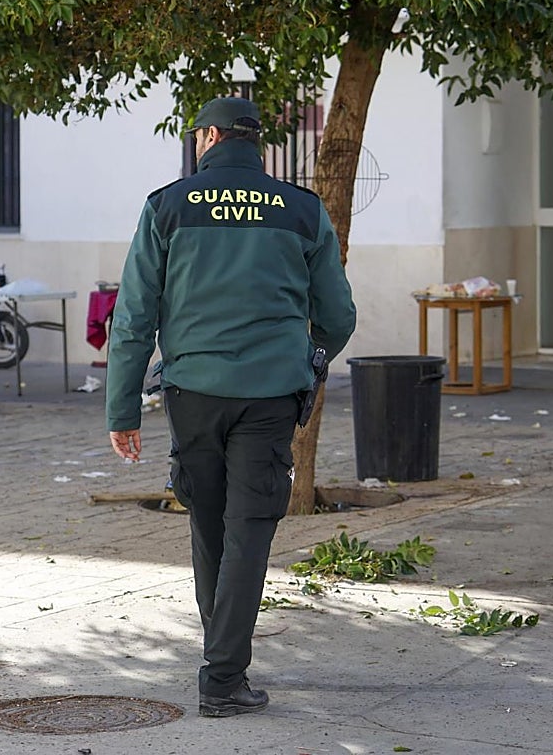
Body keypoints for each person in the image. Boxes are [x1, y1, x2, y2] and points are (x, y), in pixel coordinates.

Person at [105, 96, 356, 718]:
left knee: (209, 522)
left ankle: (222, 664)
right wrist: (308, 359)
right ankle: (222, 676)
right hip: (270, 396)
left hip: (192, 393)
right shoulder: (301, 209)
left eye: (196, 136)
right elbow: (339, 315)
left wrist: (122, 411)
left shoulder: (167, 205)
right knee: (250, 529)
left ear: (210, 136)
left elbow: (134, 316)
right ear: (255, 144)